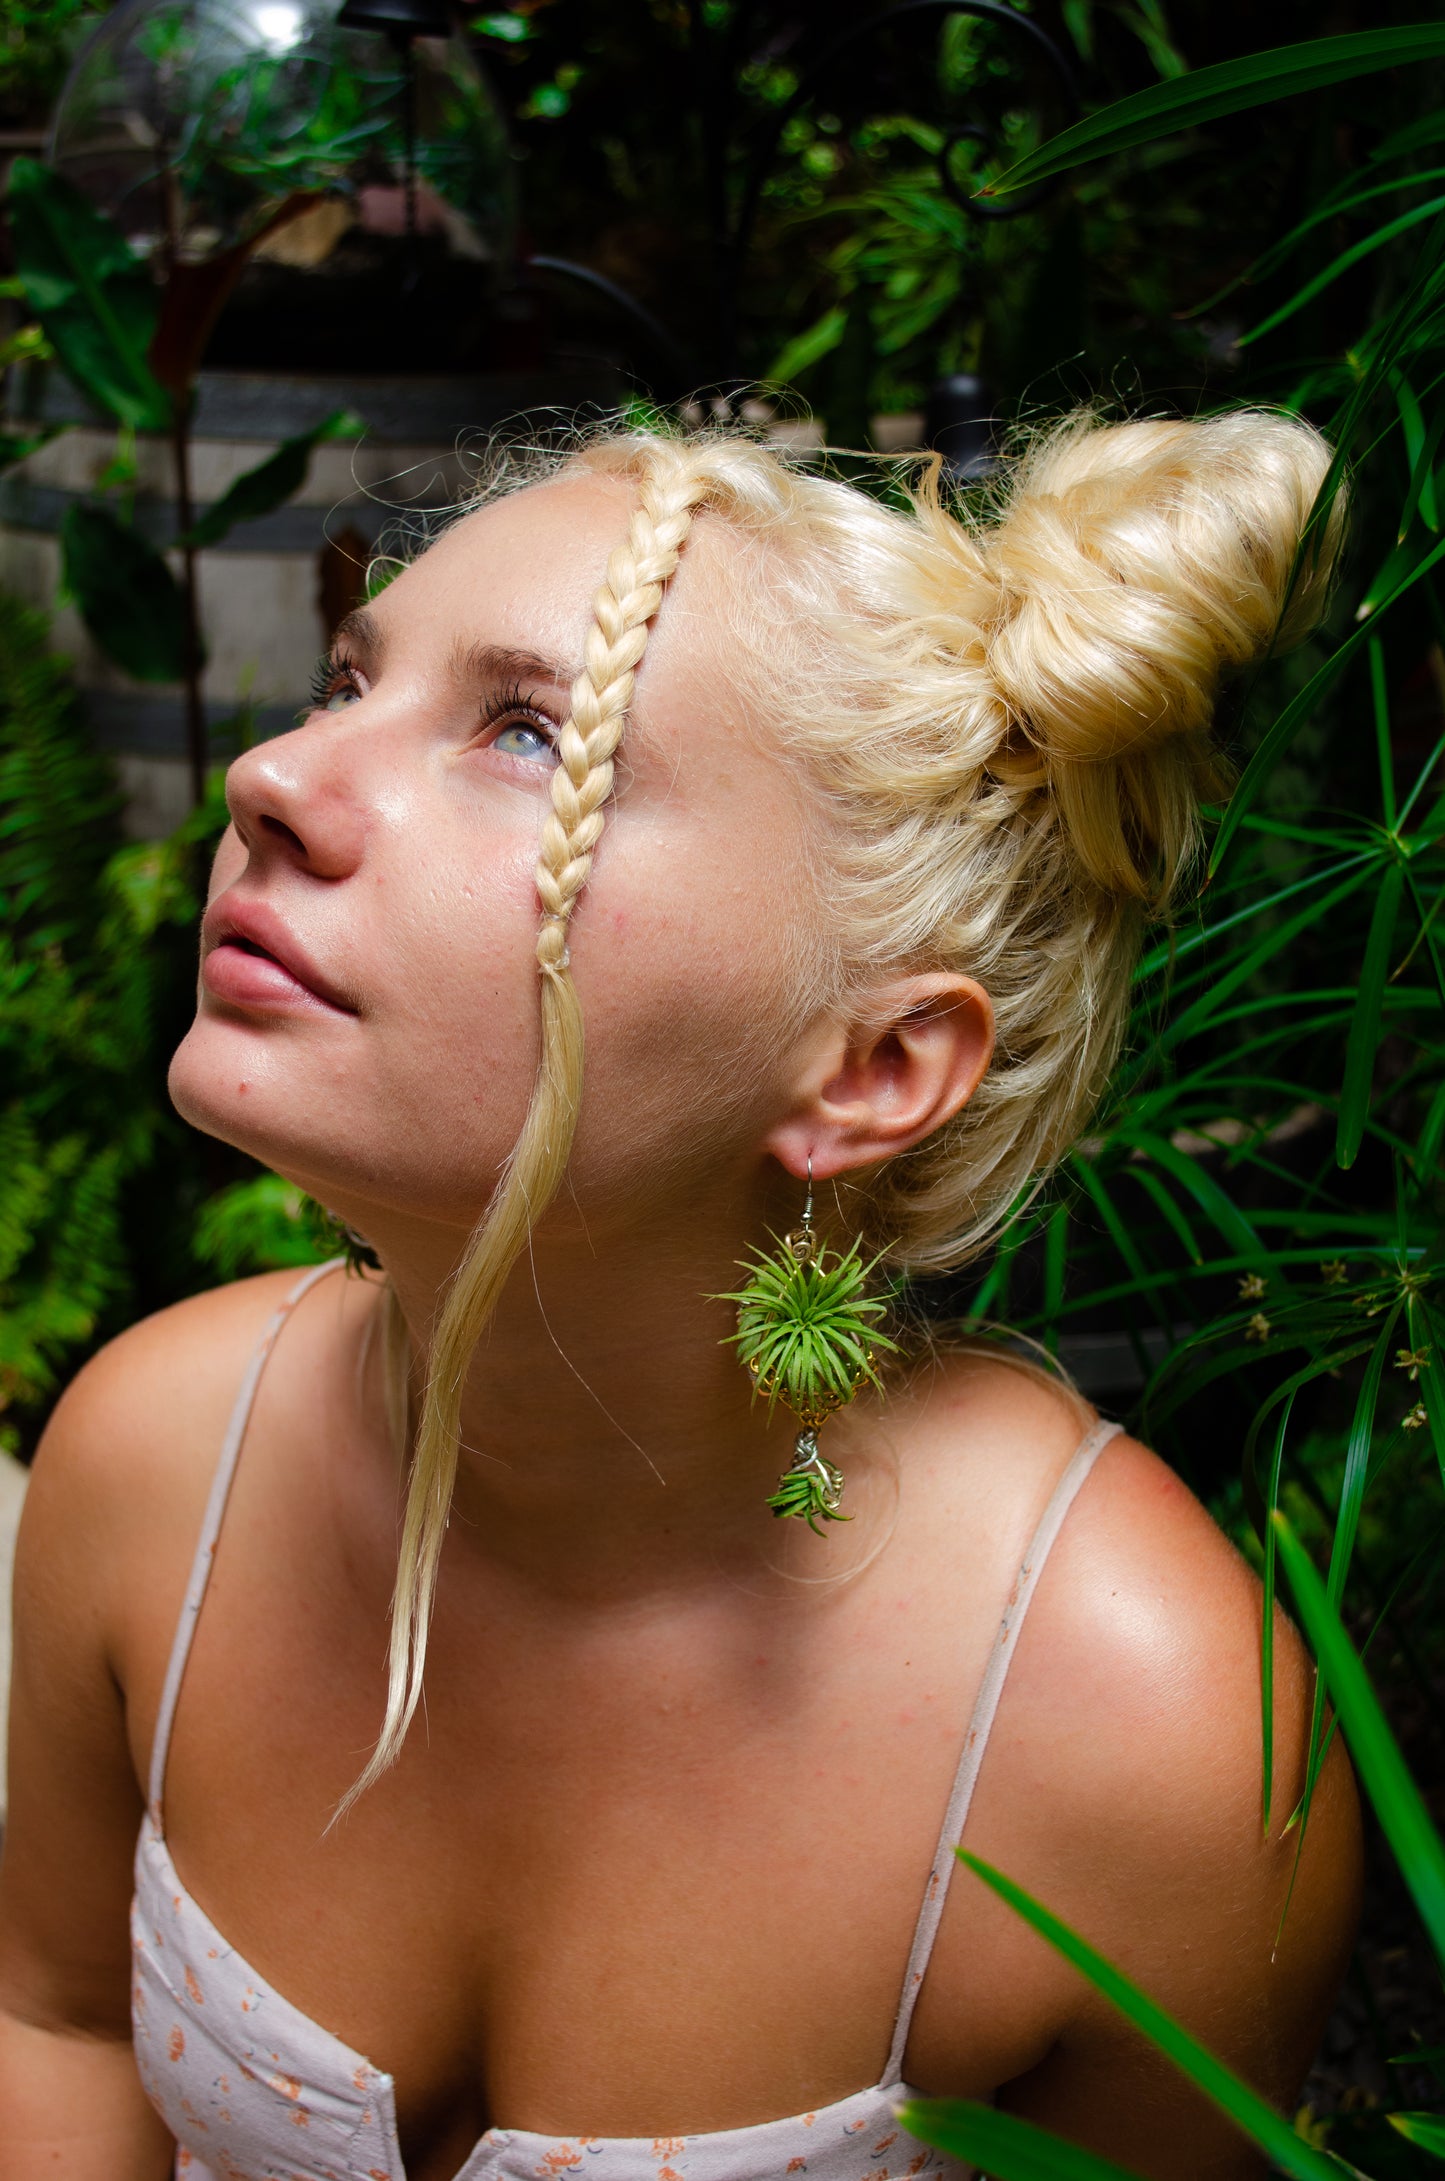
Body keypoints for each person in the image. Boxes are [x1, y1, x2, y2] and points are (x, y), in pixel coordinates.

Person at [0, 412, 1361, 2181]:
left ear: (871, 1063)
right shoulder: (154, 1459)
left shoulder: (1153, 1749)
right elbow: (60, 2016)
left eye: (527, 734)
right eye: (348, 680)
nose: (275, 773)